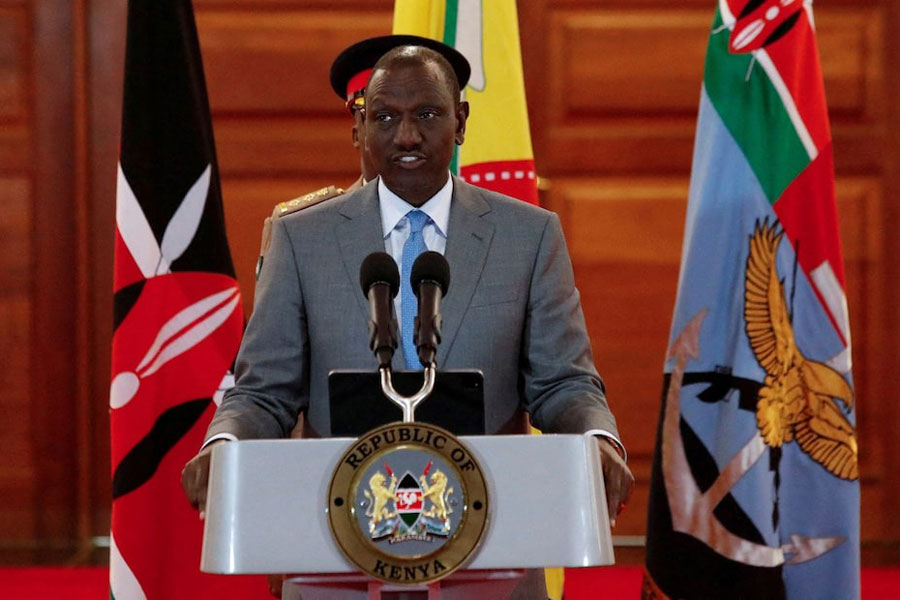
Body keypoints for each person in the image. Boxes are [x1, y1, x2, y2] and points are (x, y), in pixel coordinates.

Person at [183, 43, 633, 599]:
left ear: (460, 121)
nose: (406, 136)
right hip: (337, 555)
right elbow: (263, 392)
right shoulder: (303, 239)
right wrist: (221, 445)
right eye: (386, 117)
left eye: (426, 114)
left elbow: (563, 382)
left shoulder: (528, 236)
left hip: (487, 552)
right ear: (362, 125)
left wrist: (597, 437)